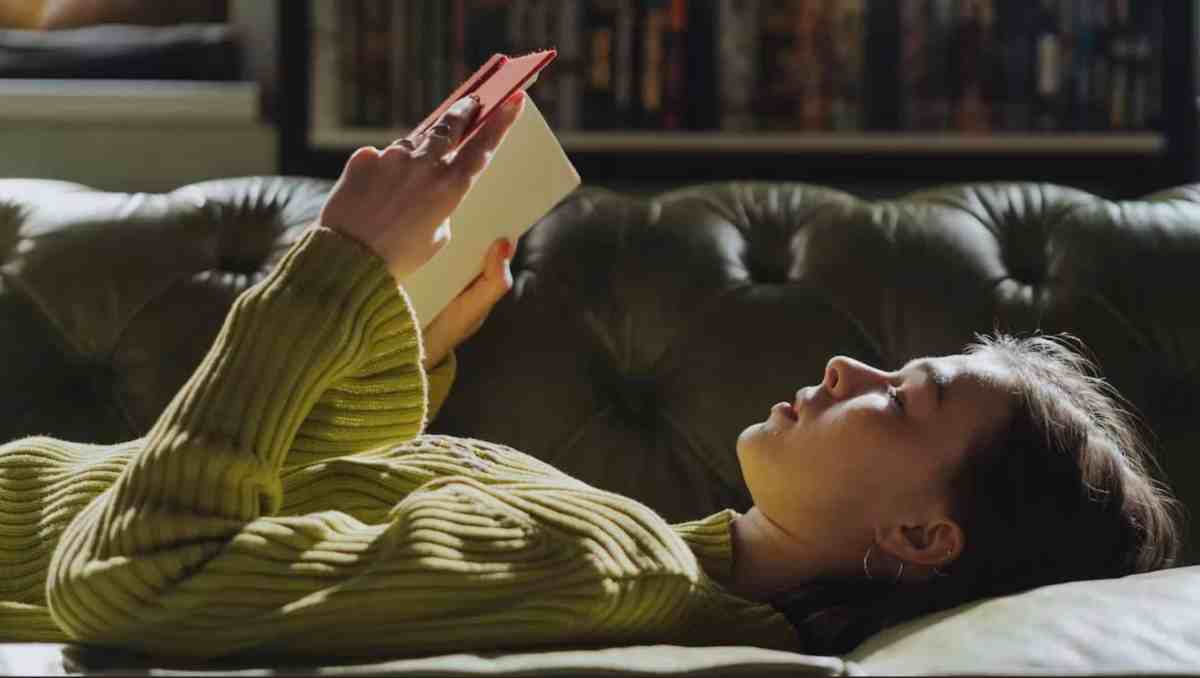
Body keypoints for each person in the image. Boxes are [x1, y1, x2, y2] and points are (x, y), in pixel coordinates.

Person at [0, 91, 1184, 660]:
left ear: (927, 540)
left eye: (901, 397)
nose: (844, 362)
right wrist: (397, 336)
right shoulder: (637, 546)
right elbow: (297, 514)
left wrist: (337, 268)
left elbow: (134, 578)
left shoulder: (603, 569)